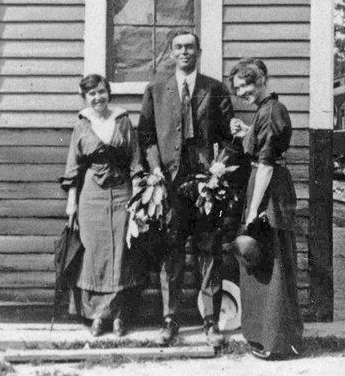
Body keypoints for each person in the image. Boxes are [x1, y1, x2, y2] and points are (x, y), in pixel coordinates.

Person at [138, 30, 236, 348]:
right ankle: (170, 320)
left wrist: (219, 166)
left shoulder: (215, 89)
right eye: (179, 47)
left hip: (205, 185)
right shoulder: (155, 89)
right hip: (170, 183)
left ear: (199, 51)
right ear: (171, 53)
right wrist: (154, 169)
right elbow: (147, 137)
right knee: (172, 251)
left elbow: (231, 138)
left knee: (208, 251)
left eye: (190, 47)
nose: (184, 52)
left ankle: (210, 321)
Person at [229, 58, 303, 361]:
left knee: (273, 264)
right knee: (262, 262)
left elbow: (267, 164)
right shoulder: (264, 112)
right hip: (263, 188)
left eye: (248, 84)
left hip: (269, 192)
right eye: (238, 88)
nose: (243, 91)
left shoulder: (272, 111)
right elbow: (263, 144)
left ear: (262, 81)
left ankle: (276, 341)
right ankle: (264, 335)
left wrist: (251, 212)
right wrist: (248, 130)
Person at [60, 74, 144, 337]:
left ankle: (119, 316)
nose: (98, 98)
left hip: (121, 192)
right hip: (91, 195)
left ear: (109, 93)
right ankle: (97, 315)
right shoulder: (82, 124)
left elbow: (135, 161)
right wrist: (71, 204)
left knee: (120, 251)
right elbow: (73, 167)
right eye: (92, 94)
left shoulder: (123, 121)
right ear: (85, 98)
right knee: (94, 253)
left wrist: (138, 197)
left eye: (101, 92)